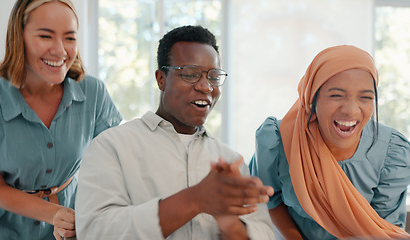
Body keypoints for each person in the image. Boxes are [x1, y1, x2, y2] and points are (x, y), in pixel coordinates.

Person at [75, 25, 275, 239]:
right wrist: (194, 199)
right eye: (191, 74)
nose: (206, 87)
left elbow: (263, 234)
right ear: (161, 79)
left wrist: (228, 222)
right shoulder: (111, 146)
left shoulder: (231, 161)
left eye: (214, 77)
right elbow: (95, 231)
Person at [0, 0, 122, 239]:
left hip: (69, 230)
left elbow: (115, 164)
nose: (60, 50)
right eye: (45, 36)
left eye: (70, 38)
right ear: (18, 36)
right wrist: (53, 214)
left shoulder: (93, 92)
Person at [250, 45, 410, 240]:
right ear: (312, 98)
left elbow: (381, 229)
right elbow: (269, 201)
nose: (351, 111)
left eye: (365, 97)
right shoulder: (278, 141)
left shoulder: (391, 154)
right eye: (336, 95)